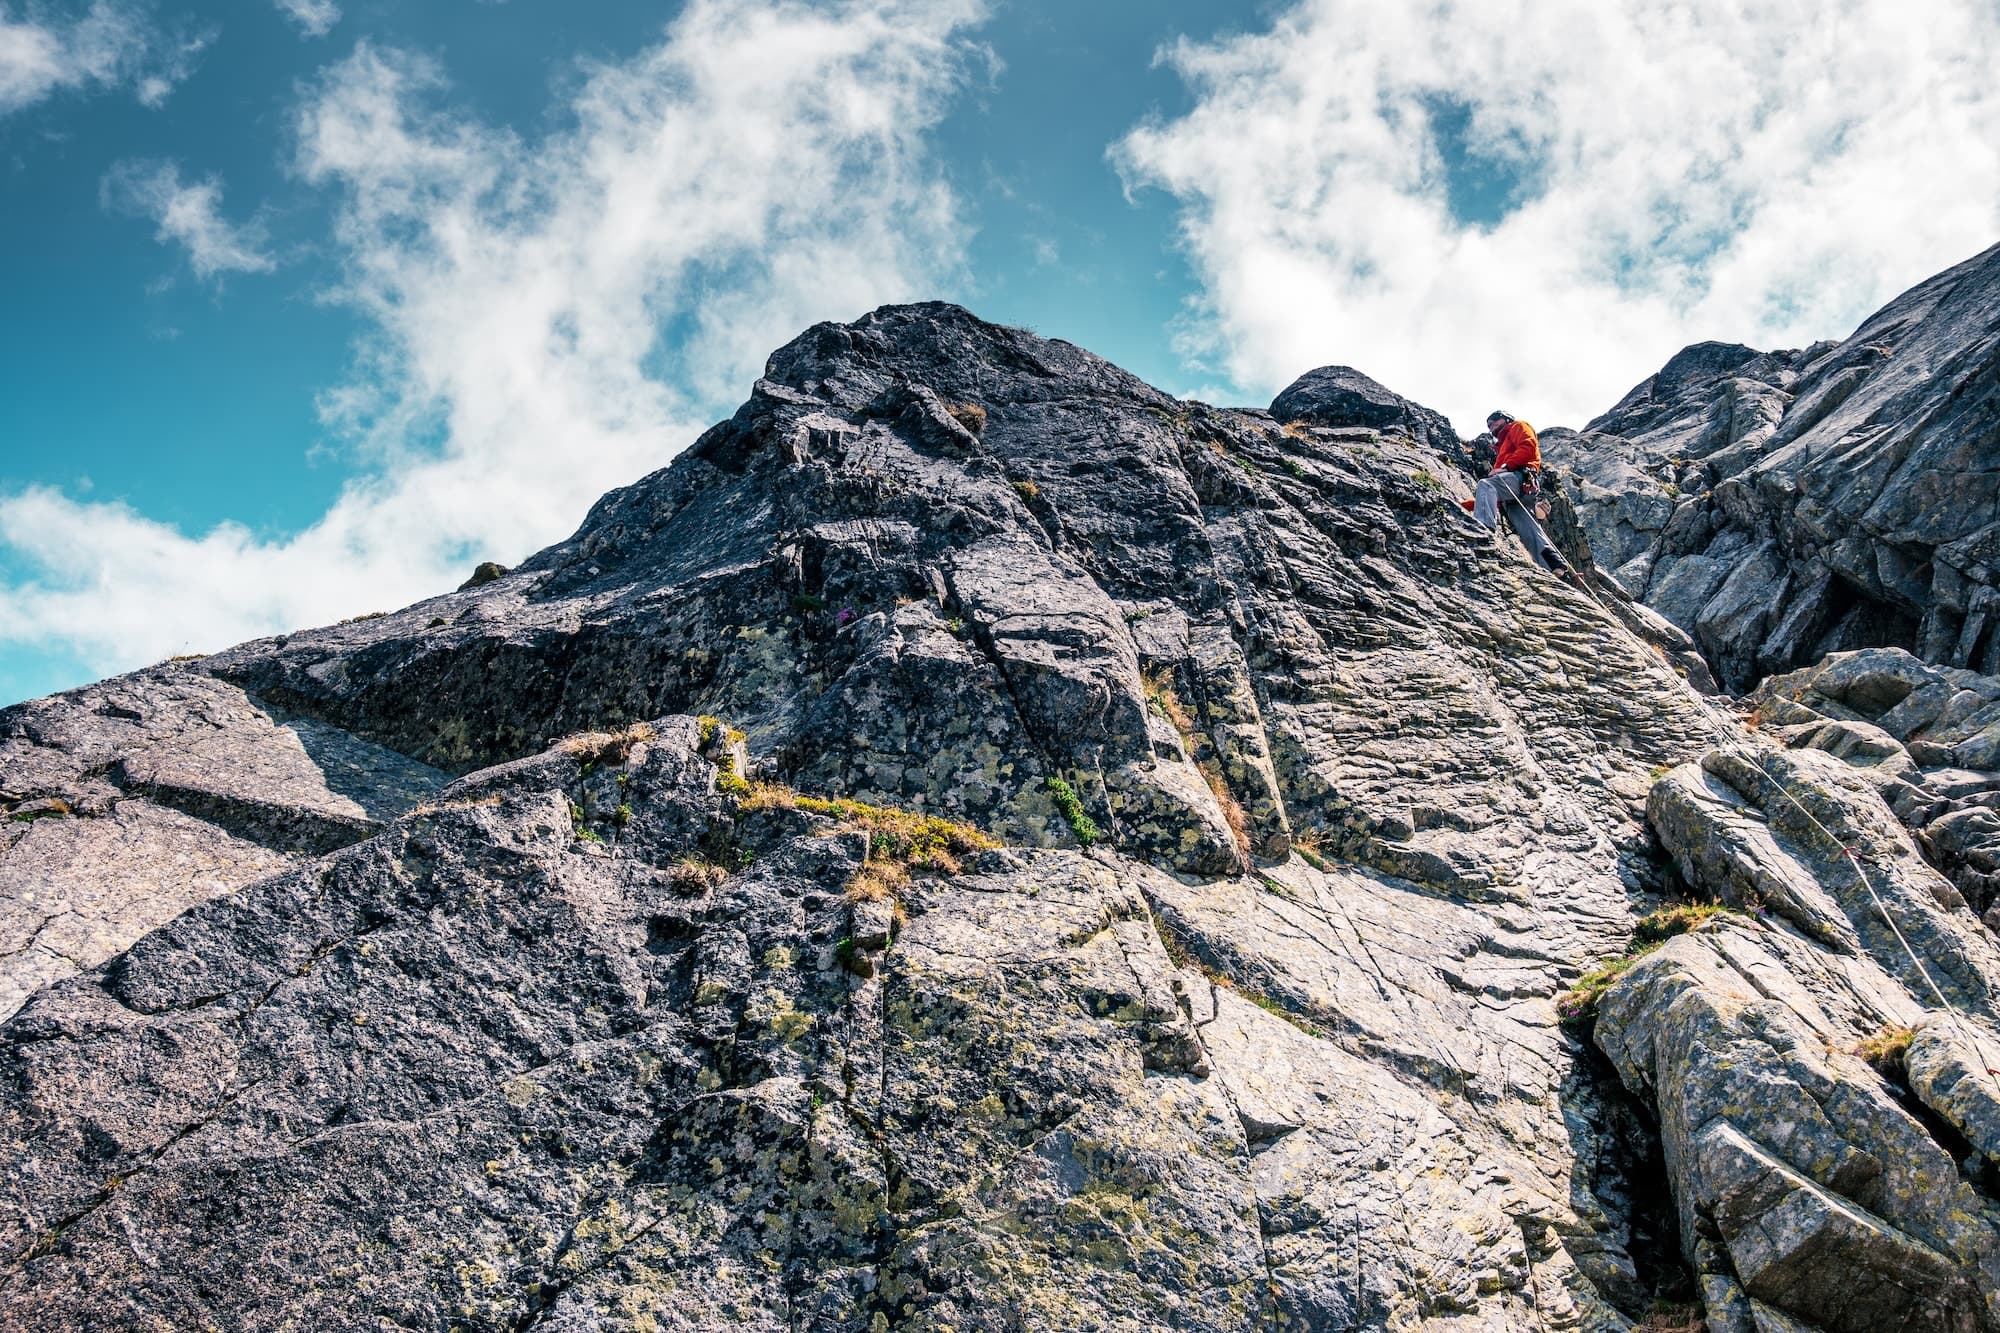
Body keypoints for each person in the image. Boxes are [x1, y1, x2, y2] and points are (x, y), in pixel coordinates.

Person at [1466, 410, 1565, 572]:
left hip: (1519, 477)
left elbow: (1528, 445)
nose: (1491, 426)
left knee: (1486, 484)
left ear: (1506, 419)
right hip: (1520, 490)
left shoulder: (1518, 426)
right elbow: (1491, 500)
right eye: (1489, 425)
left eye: (1494, 421)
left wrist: (1505, 467)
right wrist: (1465, 506)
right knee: (1528, 529)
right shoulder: (1503, 446)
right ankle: (1554, 565)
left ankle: (1482, 528)